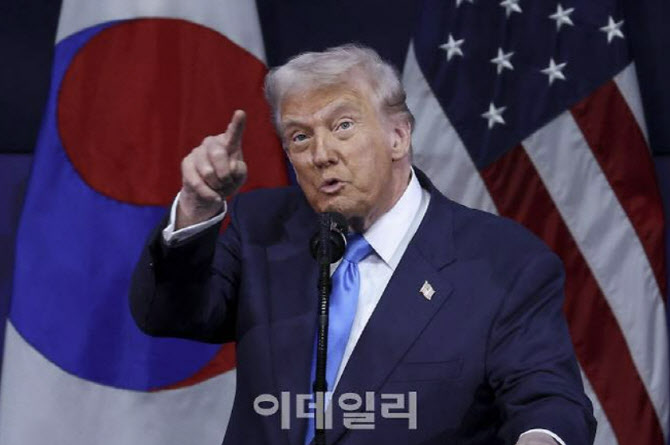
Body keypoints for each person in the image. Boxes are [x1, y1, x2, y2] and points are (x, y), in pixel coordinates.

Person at [130, 44, 596, 445]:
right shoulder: (262, 229)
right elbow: (166, 314)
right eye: (300, 136)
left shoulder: (503, 263)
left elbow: (548, 401)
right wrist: (197, 207)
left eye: (343, 126)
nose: (321, 154)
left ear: (398, 136)